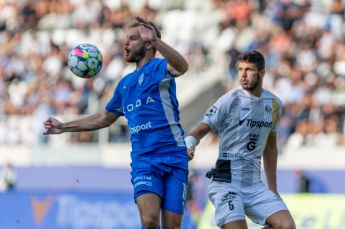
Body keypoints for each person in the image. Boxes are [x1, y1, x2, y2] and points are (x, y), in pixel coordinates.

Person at [44, 17, 189, 229]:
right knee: (149, 221)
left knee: (172, 226)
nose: (125, 44)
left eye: (132, 39)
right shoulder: (125, 85)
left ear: (148, 43)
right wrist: (65, 126)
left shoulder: (160, 69)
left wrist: (157, 42)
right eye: (125, 39)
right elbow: (104, 117)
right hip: (144, 161)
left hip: (174, 157)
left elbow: (183, 66)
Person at [185, 50, 295, 229]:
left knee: (287, 226)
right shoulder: (230, 99)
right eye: (240, 69)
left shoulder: (274, 104)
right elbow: (198, 131)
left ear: (262, 73)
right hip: (226, 181)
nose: (242, 75)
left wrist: (273, 189)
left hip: (253, 183)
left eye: (249, 70)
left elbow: (270, 147)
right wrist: (190, 145)